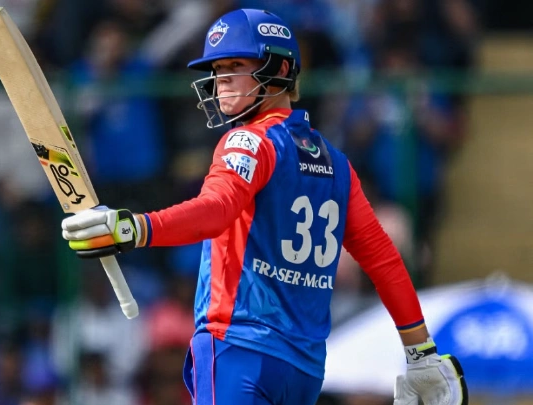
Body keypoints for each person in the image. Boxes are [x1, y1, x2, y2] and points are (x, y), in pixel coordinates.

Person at [61, 8, 468, 405]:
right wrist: (420, 352)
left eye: (235, 65)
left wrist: (133, 228)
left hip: (239, 348)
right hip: (304, 371)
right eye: (217, 70)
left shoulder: (248, 141)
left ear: (281, 71)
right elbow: (384, 259)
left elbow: (215, 209)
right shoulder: (337, 165)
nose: (221, 81)